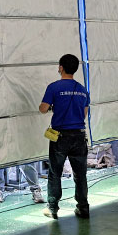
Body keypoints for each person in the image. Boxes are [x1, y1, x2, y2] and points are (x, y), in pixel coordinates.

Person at [39, 54, 90, 220]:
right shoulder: (83, 90)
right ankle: (83, 207)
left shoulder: (54, 87)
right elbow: (83, 114)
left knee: (55, 173)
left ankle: (52, 208)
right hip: (79, 136)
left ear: (61, 68)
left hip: (60, 136)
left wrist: (53, 107)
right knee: (80, 174)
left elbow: (43, 108)